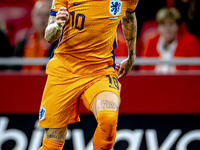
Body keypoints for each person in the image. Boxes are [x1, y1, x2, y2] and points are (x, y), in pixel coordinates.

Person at [38, 0, 138, 149]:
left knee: (108, 119)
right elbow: (49, 36)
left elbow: (129, 17)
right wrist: (58, 24)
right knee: (52, 145)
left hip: (100, 70)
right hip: (65, 70)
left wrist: (131, 56)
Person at [140, 7, 200, 73]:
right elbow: (144, 72)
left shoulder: (191, 42)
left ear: (178, 26)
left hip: (181, 82)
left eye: (171, 24)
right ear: (158, 27)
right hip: (154, 82)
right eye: (163, 24)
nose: (167, 28)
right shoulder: (150, 42)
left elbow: (194, 74)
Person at [14, 0, 57, 71]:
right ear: (32, 16)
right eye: (39, 15)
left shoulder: (58, 43)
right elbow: (13, 69)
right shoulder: (23, 43)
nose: (42, 19)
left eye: (46, 15)